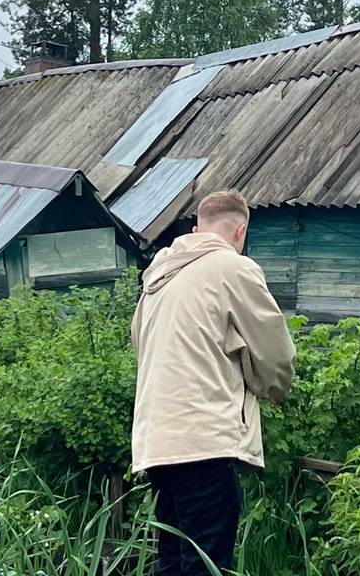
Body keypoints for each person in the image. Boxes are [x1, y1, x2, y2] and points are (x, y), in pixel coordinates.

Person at [130, 189, 296, 575]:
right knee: (207, 564)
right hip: (204, 438)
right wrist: (275, 389)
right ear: (240, 232)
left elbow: (140, 343)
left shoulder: (158, 278)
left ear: (195, 230)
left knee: (173, 561)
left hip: (157, 441)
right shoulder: (233, 268)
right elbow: (274, 351)